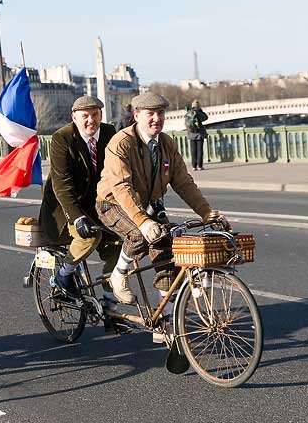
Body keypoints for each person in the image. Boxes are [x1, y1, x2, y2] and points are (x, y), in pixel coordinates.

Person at [95, 91, 230, 341]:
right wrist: (142, 221)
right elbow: (121, 187)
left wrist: (206, 212)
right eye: (150, 114)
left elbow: (183, 182)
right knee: (139, 235)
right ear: (137, 115)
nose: (156, 118)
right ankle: (118, 275)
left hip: (147, 205)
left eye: (160, 113)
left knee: (168, 253)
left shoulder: (166, 143)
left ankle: (164, 321)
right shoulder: (121, 142)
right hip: (112, 202)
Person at [38, 95, 120, 299]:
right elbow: (62, 185)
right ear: (74, 117)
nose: (91, 120)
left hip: (99, 204)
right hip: (66, 206)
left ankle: (109, 303)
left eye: (95, 115)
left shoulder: (110, 132)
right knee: (90, 236)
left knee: (119, 245)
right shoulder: (62, 138)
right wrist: (77, 217)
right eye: (85, 116)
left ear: (101, 115)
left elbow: (119, 172)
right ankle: (63, 275)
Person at [185, 99, 209, 170]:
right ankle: (200, 166)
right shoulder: (199, 113)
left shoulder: (189, 113)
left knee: (193, 151)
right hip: (199, 134)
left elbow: (186, 122)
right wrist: (200, 111)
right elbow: (206, 117)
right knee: (199, 151)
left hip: (191, 134)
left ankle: (194, 166)